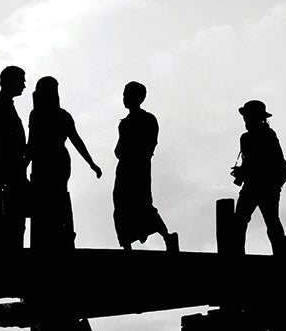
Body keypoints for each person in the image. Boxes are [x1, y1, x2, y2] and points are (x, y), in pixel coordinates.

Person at [26, 76, 101, 250]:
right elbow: (32, 143)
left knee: (54, 198)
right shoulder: (48, 114)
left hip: (52, 161)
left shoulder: (46, 114)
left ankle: (60, 238)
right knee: (49, 199)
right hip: (47, 160)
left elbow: (75, 140)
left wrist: (91, 163)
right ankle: (52, 239)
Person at [113, 81, 177, 251]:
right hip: (127, 169)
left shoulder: (146, 120)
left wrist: (133, 155)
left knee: (142, 204)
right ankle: (127, 245)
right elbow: (119, 149)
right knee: (121, 205)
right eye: (124, 94)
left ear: (138, 98)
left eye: (128, 95)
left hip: (137, 168)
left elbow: (148, 145)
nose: (125, 98)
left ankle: (166, 236)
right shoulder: (125, 123)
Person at [231, 99, 286, 254]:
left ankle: (279, 255)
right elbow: (253, 163)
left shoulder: (266, 135)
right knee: (245, 222)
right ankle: (279, 255)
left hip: (264, 185)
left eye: (248, 116)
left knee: (265, 222)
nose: (245, 120)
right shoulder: (248, 137)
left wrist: (244, 172)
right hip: (257, 185)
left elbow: (270, 162)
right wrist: (242, 171)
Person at [0, 65, 27, 250]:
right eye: (21, 80)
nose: (24, 85)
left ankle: (5, 246)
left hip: (7, 162)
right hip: (5, 163)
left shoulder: (1, 105)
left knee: (8, 207)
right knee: (7, 207)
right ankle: (4, 248)